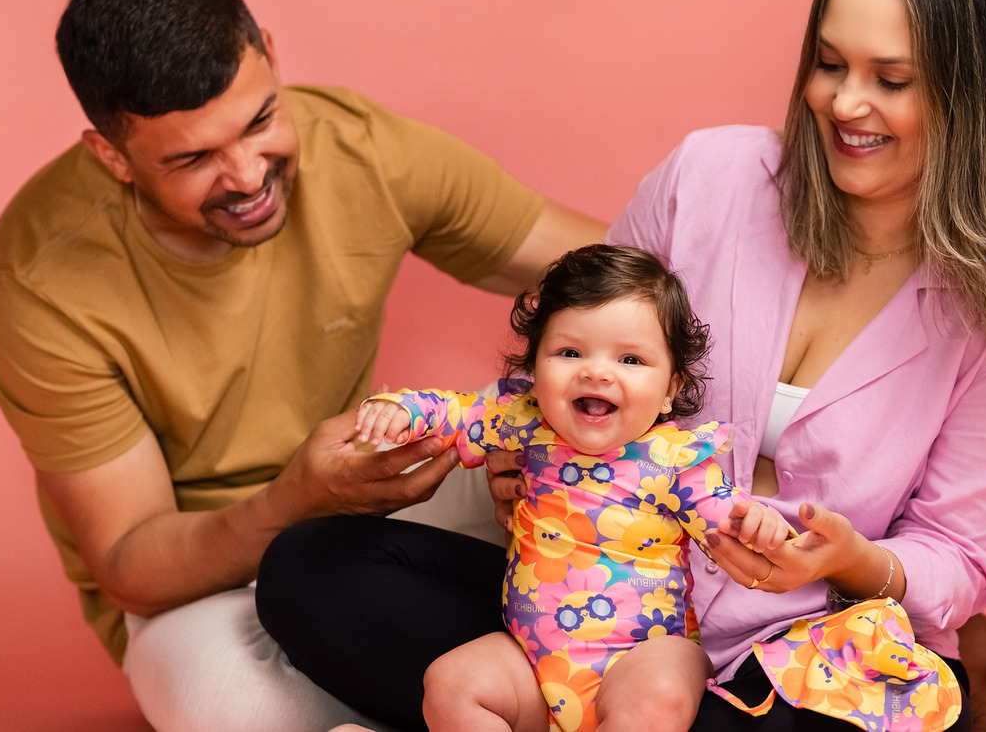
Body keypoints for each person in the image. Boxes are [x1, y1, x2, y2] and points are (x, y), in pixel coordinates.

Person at [256, 0, 986, 732]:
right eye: (829, 63)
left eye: (890, 79)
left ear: (979, 97)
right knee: (310, 572)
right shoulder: (710, 178)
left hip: (800, 650)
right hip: (592, 602)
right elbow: (574, 346)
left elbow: (955, 558)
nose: (844, 103)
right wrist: (516, 453)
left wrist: (852, 562)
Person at [0, 0, 603, 732]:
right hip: (202, 584)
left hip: (378, 491)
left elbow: (626, 278)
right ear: (112, 156)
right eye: (193, 158)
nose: (246, 175)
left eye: (260, 120)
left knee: (623, 434)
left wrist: (543, 444)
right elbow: (133, 564)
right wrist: (295, 502)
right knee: (241, 709)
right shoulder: (41, 279)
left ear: (269, 54)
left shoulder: (362, 149)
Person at [339, 244, 794, 732]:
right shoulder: (524, 425)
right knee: (451, 682)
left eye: (630, 359)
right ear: (535, 371)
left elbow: (733, 520)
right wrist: (401, 410)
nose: (596, 371)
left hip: (640, 657)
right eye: (570, 353)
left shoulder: (676, 461)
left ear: (670, 390)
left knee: (658, 694)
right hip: (534, 663)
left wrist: (761, 524)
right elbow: (453, 412)